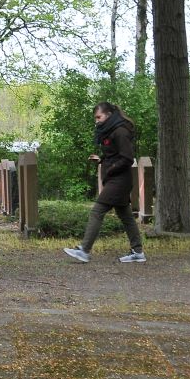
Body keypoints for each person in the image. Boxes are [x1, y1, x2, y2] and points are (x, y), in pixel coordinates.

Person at [64, 102, 147, 263]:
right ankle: (137, 252)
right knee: (126, 216)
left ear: (108, 115)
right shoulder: (110, 131)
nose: (96, 121)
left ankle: (84, 250)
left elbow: (127, 158)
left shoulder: (120, 131)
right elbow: (115, 155)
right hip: (116, 178)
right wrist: (102, 160)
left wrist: (111, 169)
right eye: (95, 118)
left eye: (98, 117)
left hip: (119, 180)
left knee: (97, 211)